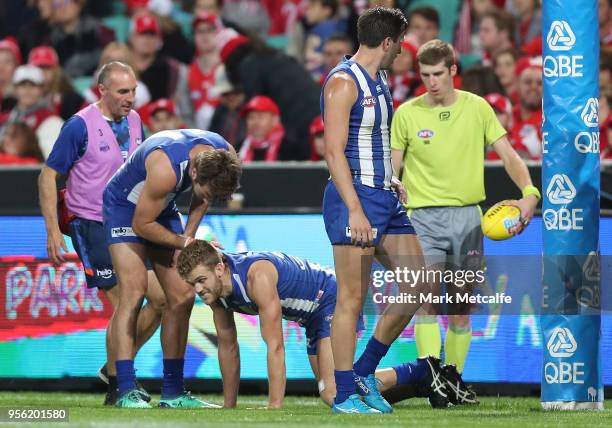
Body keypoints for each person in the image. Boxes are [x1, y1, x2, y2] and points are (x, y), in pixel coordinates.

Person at [390, 39, 540, 405]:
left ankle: (452, 380)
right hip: (422, 218)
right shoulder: (406, 113)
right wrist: (389, 191)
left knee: (459, 306)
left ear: (453, 70)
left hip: (468, 219)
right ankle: (430, 378)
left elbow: (507, 155)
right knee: (424, 299)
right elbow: (393, 168)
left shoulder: (478, 109)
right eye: (425, 75)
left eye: (438, 74)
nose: (432, 82)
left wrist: (529, 193)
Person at [322, 7, 432, 414]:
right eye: (400, 43)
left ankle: (366, 370)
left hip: (385, 197)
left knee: (420, 283)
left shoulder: (381, 79)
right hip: (355, 199)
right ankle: (344, 392)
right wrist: (355, 209)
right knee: (352, 297)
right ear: (387, 42)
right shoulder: (342, 83)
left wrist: (392, 177)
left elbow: (373, 141)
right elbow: (333, 152)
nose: (402, 50)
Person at [176, 240, 442, 408]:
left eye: (201, 280)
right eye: (193, 284)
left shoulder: (257, 277)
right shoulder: (216, 293)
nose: (198, 289)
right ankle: (420, 381)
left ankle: (418, 371)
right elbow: (228, 348)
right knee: (330, 392)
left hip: (331, 299)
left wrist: (274, 406)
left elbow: (276, 346)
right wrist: (229, 407)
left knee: (335, 393)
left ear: (220, 269)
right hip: (311, 317)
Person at [37, 61, 166, 406]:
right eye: (123, 92)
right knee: (127, 300)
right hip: (90, 223)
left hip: (126, 223)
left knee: (161, 300)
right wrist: (53, 230)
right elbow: (48, 175)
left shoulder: (136, 121)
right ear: (102, 91)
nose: (131, 98)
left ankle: (115, 368)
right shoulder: (79, 126)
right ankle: (121, 387)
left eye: (134, 91)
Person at [103, 128, 241, 408]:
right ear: (193, 174)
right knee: (134, 291)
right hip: (123, 207)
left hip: (161, 206)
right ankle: (125, 388)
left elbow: (203, 198)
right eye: (207, 190)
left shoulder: (225, 155)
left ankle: (173, 392)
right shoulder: (165, 167)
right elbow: (141, 224)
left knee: (183, 295)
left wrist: (186, 240)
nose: (209, 197)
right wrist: (184, 241)